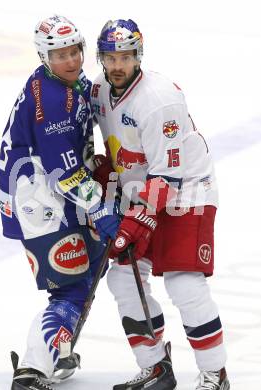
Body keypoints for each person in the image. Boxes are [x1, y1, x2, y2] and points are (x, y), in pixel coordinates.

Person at [92, 19, 230, 390]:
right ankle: (156, 367)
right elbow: (114, 153)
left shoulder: (159, 99)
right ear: (101, 58)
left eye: (125, 56)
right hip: (143, 190)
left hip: (188, 192)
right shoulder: (100, 91)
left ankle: (215, 374)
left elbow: (168, 178)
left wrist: (137, 222)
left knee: (184, 283)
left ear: (139, 55)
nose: (117, 65)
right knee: (124, 278)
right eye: (110, 57)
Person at [0, 15, 119, 390]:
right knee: (71, 286)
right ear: (43, 55)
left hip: (44, 191)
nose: (71, 60)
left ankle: (56, 349)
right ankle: (33, 368)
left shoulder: (63, 79)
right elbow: (61, 171)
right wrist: (98, 207)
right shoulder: (50, 102)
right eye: (60, 54)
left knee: (92, 260)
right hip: (39, 200)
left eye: (74, 51)